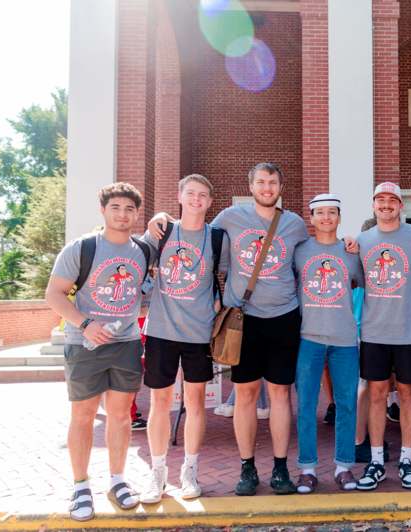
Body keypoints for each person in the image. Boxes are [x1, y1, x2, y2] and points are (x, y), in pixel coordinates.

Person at [149, 162, 309, 495]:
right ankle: (247, 467)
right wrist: (161, 219)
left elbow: (308, 260)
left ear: (281, 187)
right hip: (243, 319)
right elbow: (197, 238)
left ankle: (280, 468)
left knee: (280, 394)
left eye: (273, 182)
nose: (267, 188)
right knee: (246, 394)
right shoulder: (228, 219)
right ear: (250, 187)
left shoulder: (294, 225)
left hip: (284, 318)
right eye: (261, 182)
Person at [46, 182, 150, 521]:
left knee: (121, 416)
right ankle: (80, 486)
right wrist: (85, 323)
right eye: (116, 208)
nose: (122, 214)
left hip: (127, 344)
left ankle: (118, 480)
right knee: (84, 416)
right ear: (103, 210)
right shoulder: (82, 248)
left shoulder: (142, 251)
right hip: (85, 345)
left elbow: (145, 292)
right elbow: (55, 294)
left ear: (136, 213)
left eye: (129, 209)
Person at [139, 174, 228, 503]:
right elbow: (131, 258)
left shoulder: (217, 237)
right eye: (190, 193)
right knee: (159, 403)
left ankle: (189, 470)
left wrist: (225, 303)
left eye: (202, 195)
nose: (196, 199)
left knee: (195, 403)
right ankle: (157, 471)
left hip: (199, 332)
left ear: (209, 201)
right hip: (161, 330)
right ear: (179, 196)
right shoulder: (161, 232)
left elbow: (232, 272)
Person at [355, 182, 411, 491]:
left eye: (392, 200)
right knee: (375, 394)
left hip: (410, 332)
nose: (386, 204)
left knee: (409, 394)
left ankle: (406, 459)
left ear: (401, 205)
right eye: (380, 200)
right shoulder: (361, 241)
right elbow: (354, 279)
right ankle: (375, 461)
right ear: (373, 205)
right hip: (374, 331)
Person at [293, 194, 364, 493]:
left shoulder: (352, 251)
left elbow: (361, 282)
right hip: (308, 337)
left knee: (347, 404)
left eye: (331, 212)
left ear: (339, 216)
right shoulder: (299, 251)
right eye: (319, 212)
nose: (325, 218)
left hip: (345, 339)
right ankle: (307, 469)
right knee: (307, 405)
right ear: (311, 217)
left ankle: (344, 467)